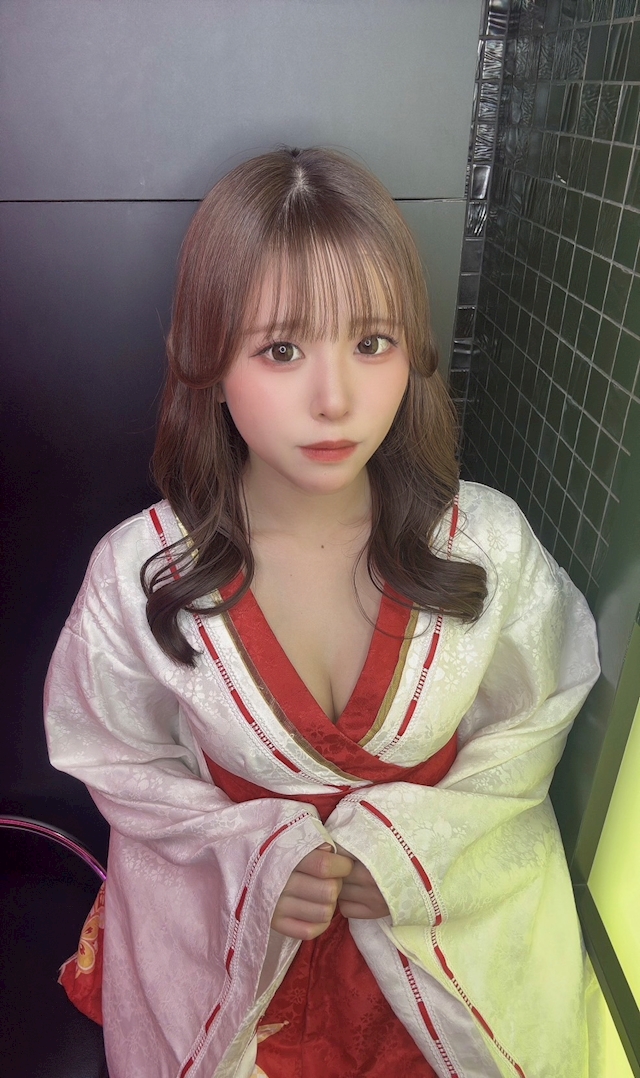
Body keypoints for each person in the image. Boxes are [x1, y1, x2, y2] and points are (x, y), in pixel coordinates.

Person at [44, 147, 603, 1078]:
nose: (336, 399)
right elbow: (116, 759)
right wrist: (253, 863)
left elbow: (533, 727)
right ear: (206, 359)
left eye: (373, 343)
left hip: (437, 977)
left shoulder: (487, 546)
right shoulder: (139, 571)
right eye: (282, 350)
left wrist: (415, 858)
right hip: (238, 985)